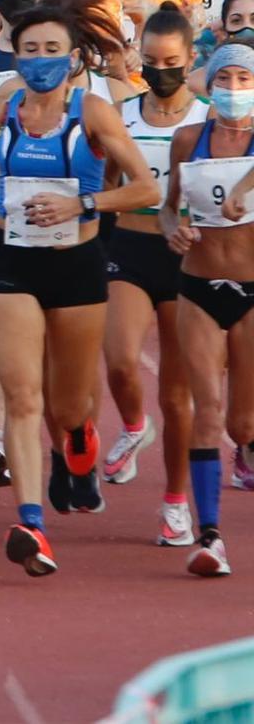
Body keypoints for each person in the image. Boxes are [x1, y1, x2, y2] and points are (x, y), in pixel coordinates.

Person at [0, 0, 155, 576]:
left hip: (77, 264)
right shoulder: (1, 108)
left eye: (52, 49)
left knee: (69, 405)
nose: (39, 58)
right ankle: (31, 525)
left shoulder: (93, 112)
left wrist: (82, 204)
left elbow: (145, 189)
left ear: (72, 56)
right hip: (12, 259)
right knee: (21, 397)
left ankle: (79, 446)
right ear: (14, 53)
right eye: (29, 48)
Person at [96, 5, 208, 547]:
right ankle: (134, 426)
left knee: (178, 394)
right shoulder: (123, 114)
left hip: (188, 258)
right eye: (152, 60)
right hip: (131, 246)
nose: (160, 71)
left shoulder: (207, 118)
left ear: (190, 60)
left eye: (172, 62)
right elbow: (112, 182)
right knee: (118, 358)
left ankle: (175, 503)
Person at [186, 46, 254, 575]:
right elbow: (168, 208)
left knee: (244, 422)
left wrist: (242, 189)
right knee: (205, 412)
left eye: (243, 77)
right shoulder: (191, 140)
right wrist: (173, 228)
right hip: (198, 287)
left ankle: (247, 447)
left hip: (252, 291)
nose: (233, 87)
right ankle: (209, 536)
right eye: (224, 77)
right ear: (209, 84)